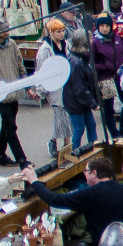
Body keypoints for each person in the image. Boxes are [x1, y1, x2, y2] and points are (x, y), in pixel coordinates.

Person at [29, 156, 123, 246]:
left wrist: (34, 182)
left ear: (94, 173)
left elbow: (55, 200)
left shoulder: (90, 194)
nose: (85, 175)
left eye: (86, 172)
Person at [0, 15, 37, 167]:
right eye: (3, 30)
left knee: (7, 124)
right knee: (10, 126)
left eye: (8, 29)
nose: (7, 32)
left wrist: (27, 87)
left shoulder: (11, 44)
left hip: (14, 93)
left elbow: (20, 66)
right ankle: (22, 159)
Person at [36, 18, 72, 156]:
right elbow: (40, 71)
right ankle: (55, 142)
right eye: (58, 31)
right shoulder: (45, 50)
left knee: (67, 118)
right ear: (51, 32)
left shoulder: (66, 45)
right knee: (60, 118)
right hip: (55, 88)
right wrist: (41, 92)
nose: (61, 34)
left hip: (68, 86)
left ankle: (66, 147)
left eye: (63, 31)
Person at [90, 13, 123, 138]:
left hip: (119, 77)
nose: (104, 28)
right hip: (105, 78)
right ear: (97, 27)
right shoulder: (95, 42)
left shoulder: (117, 38)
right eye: (101, 26)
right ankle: (114, 133)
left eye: (107, 25)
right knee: (109, 108)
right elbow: (92, 63)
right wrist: (105, 66)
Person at [63, 30, 99, 147]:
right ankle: (74, 154)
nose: (92, 41)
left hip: (81, 102)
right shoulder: (76, 62)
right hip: (76, 103)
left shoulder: (79, 58)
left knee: (91, 125)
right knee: (79, 129)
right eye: (90, 39)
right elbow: (79, 88)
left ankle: (93, 148)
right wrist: (93, 103)